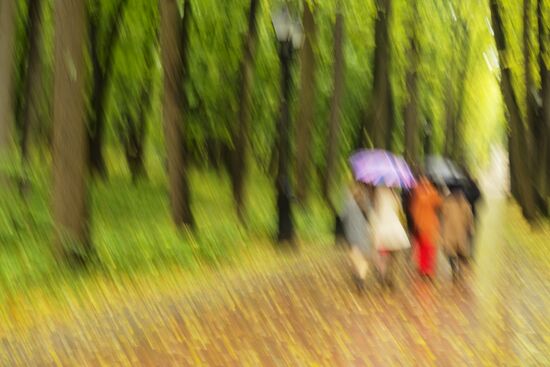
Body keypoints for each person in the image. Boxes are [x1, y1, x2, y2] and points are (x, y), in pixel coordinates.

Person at [370, 186, 410, 287]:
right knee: (395, 254)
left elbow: (376, 209)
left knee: (383, 254)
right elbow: (399, 210)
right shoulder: (395, 195)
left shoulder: (379, 192)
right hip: (394, 226)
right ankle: (390, 277)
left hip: (383, 225)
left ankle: (383, 274)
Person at [341, 182, 373, 291]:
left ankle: (358, 276)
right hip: (364, 234)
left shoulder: (349, 203)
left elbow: (342, 216)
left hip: (352, 234)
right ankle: (361, 279)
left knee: (355, 257)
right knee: (364, 260)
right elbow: (370, 216)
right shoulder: (366, 203)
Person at [410, 176, 443, 278]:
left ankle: (423, 270)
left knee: (423, 249)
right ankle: (428, 270)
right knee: (430, 249)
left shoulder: (418, 194)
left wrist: (416, 222)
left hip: (421, 225)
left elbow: (413, 210)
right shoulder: (432, 193)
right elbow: (440, 203)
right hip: (431, 225)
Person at [440, 187, 474, 279]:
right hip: (460, 232)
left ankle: (454, 269)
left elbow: (443, 215)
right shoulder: (465, 203)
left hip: (450, 231)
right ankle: (459, 270)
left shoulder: (447, 202)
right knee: (460, 251)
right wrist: (470, 229)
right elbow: (469, 218)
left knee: (450, 252)